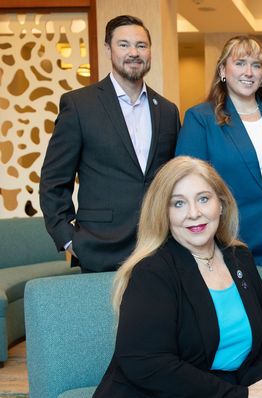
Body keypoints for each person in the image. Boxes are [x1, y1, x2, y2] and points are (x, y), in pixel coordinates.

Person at [81, 157, 262, 398]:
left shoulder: (239, 257)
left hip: (223, 390)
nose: (194, 213)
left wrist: (258, 388)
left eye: (203, 199)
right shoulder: (153, 271)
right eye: (178, 203)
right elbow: (147, 365)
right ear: (164, 212)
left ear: (222, 204)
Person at [40, 15, 180, 272]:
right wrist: (69, 239)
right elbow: (53, 181)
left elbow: (174, 178)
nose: (134, 53)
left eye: (141, 45)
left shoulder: (168, 111)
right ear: (108, 49)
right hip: (100, 248)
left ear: (150, 51)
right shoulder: (80, 105)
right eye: (124, 44)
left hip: (160, 246)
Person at [176, 35, 262, 268]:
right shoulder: (201, 118)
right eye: (239, 63)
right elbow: (189, 187)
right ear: (222, 70)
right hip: (226, 244)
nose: (249, 72)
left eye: (256, 65)